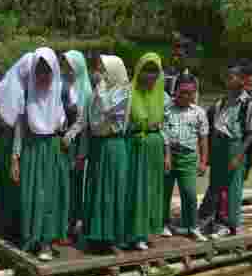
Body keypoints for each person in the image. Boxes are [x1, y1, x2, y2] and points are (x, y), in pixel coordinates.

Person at [0, 48, 70, 261]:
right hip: (32, 150)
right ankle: (32, 238)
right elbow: (19, 129)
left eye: (47, 71)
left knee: (49, 196)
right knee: (31, 195)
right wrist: (15, 158)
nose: (43, 76)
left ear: (54, 72)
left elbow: (63, 125)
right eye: (39, 71)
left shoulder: (57, 95)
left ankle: (46, 242)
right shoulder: (26, 95)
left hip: (52, 150)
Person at [203, 61, 252, 238]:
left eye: (232, 76)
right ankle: (213, 219)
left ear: (242, 80)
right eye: (227, 77)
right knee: (216, 183)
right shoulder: (220, 102)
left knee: (232, 187)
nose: (228, 80)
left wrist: (239, 156)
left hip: (235, 146)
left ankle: (229, 225)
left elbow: (251, 133)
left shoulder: (249, 104)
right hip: (219, 146)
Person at [82, 54, 131, 253]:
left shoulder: (123, 92)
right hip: (98, 145)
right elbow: (90, 118)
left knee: (111, 190)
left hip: (113, 145)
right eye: (99, 69)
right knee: (96, 188)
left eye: (104, 70)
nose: (100, 73)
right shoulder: (99, 91)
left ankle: (112, 237)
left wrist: (100, 88)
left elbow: (105, 108)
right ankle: (95, 235)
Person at [0, 55, 32, 242]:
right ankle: (6, 225)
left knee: (10, 183)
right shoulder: (10, 89)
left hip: (13, 142)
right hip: (8, 141)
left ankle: (10, 225)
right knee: (5, 181)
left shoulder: (22, 90)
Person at [125, 52, 169, 251]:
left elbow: (166, 127)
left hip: (155, 146)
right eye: (146, 70)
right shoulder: (128, 93)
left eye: (154, 71)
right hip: (135, 145)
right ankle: (134, 233)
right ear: (139, 71)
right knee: (136, 190)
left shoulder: (163, 96)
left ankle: (149, 230)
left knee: (152, 190)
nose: (150, 76)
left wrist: (167, 154)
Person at [161, 72, 209, 241]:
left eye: (190, 93)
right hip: (168, 156)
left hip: (188, 158)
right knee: (164, 193)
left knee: (189, 193)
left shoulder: (199, 113)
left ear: (194, 93)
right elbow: (163, 134)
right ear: (175, 91)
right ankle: (164, 224)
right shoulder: (166, 110)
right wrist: (166, 157)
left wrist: (203, 162)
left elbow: (203, 139)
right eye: (182, 92)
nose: (186, 96)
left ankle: (192, 226)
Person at [61, 51, 91, 241]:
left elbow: (84, 126)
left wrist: (81, 155)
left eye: (70, 67)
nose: (67, 70)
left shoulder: (86, 91)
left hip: (76, 143)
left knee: (74, 183)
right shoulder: (62, 86)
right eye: (65, 66)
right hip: (61, 142)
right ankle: (60, 222)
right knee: (61, 182)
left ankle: (72, 223)